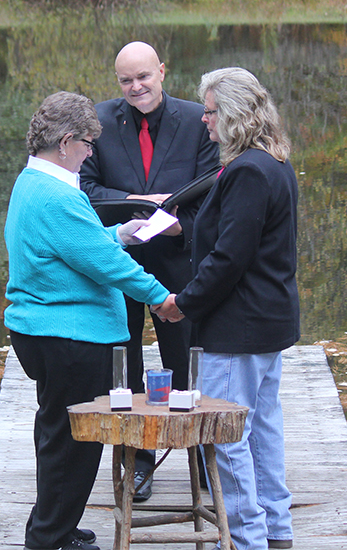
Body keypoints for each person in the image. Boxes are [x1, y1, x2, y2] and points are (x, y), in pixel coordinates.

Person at [4, 91, 174, 550]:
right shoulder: (58, 194)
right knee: (73, 444)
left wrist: (118, 232)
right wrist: (161, 298)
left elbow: (77, 244)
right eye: (87, 144)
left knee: (59, 434)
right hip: (68, 337)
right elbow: (106, 265)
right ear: (65, 141)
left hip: (44, 332)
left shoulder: (31, 182)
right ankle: (49, 539)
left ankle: (58, 526)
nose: (90, 152)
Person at [155, 67, 300, 550]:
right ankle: (276, 531)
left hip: (238, 328)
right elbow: (246, 245)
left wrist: (182, 303)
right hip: (268, 322)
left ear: (235, 115)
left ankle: (244, 539)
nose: (204, 121)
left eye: (212, 112)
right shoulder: (274, 163)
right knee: (261, 433)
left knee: (225, 437)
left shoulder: (246, 172)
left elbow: (229, 259)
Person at [80, 41, 219, 500]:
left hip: (179, 263)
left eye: (144, 77)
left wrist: (180, 227)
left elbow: (210, 194)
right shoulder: (98, 122)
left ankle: (200, 457)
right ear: (116, 82)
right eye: (126, 80)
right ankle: (137, 462)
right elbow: (87, 189)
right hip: (119, 262)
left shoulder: (198, 121)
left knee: (185, 363)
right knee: (126, 367)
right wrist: (135, 205)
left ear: (162, 71)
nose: (136, 87)